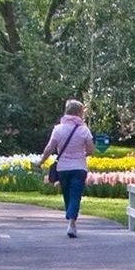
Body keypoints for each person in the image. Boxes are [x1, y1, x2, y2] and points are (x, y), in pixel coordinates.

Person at [40, 99, 94, 238]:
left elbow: (49, 148)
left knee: (68, 196)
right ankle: (72, 223)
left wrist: (41, 161)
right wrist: (81, 153)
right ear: (78, 113)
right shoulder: (84, 130)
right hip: (79, 168)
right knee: (75, 195)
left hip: (63, 168)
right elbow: (91, 150)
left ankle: (71, 220)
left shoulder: (58, 129)